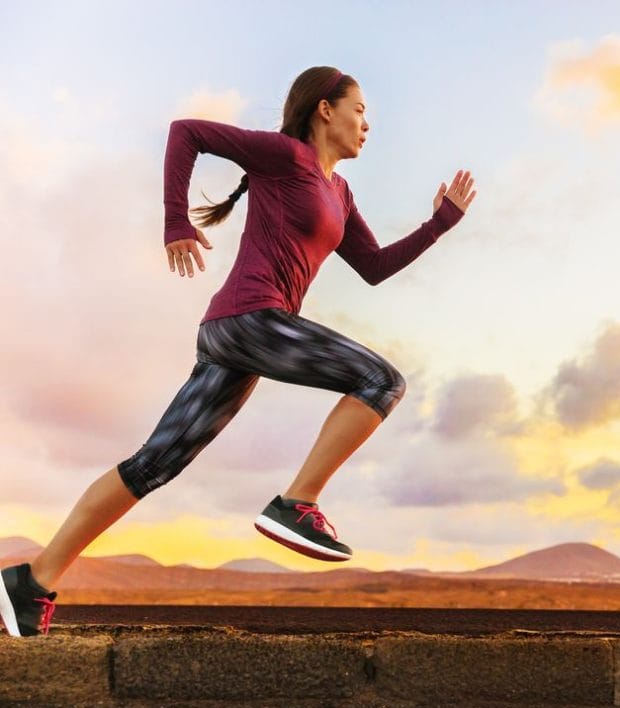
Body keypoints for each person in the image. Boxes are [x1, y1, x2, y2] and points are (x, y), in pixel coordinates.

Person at [0, 66, 476, 637]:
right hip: (250, 319)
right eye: (360, 110)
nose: (367, 124)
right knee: (382, 381)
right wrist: (176, 220)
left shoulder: (340, 192)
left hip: (239, 336)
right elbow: (186, 132)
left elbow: (373, 268)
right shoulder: (285, 155)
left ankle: (31, 582)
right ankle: (297, 503)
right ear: (325, 109)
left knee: (152, 465)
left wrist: (439, 224)